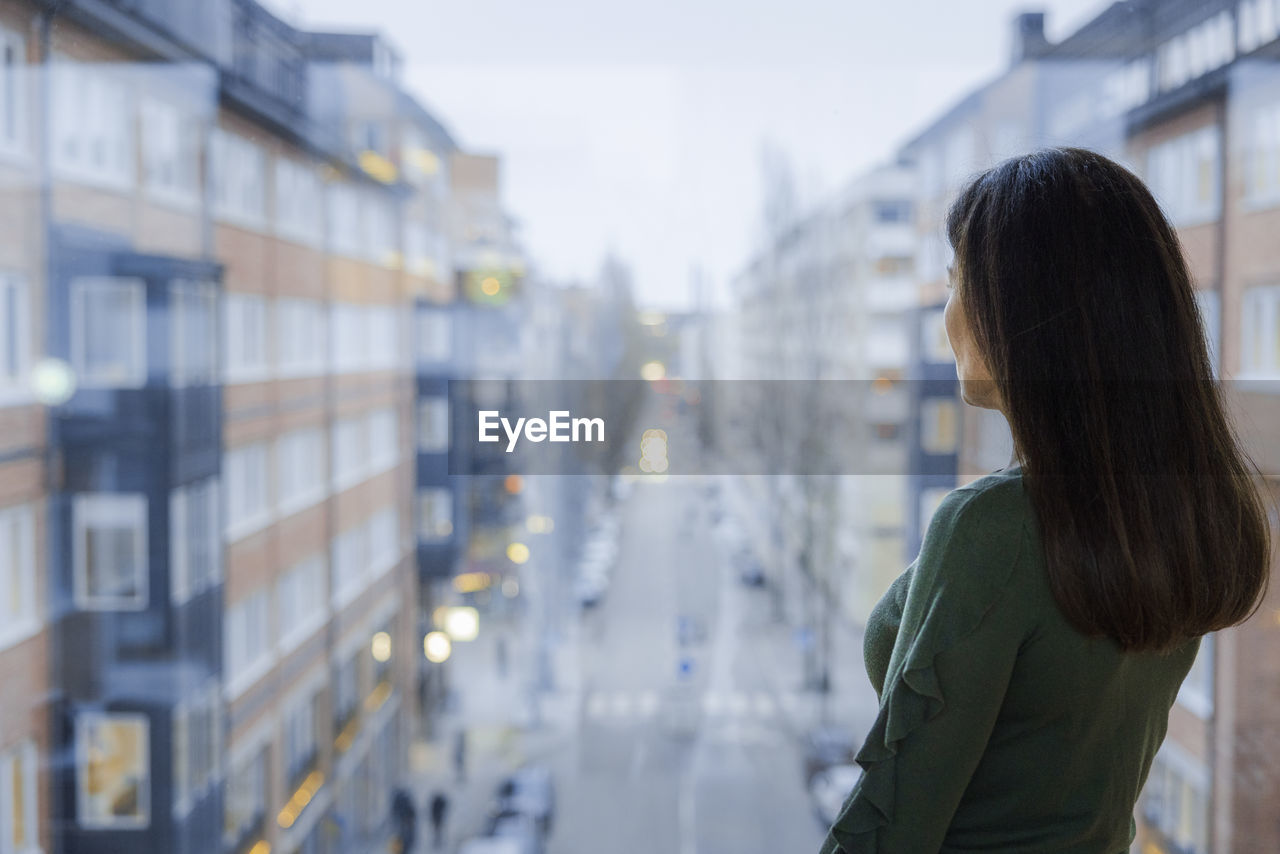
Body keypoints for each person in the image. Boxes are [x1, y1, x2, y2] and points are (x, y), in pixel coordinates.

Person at [818, 147, 1272, 853]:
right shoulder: (1188, 511)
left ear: (1022, 309)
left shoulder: (994, 529)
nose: (948, 311)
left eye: (955, 281)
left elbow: (888, 831)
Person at [391, 787, 417, 854]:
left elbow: (394, 812)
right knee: (405, 839)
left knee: (401, 838)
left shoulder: (397, 801)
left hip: (401, 824)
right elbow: (413, 812)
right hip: (405, 824)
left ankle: (400, 850)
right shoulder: (407, 801)